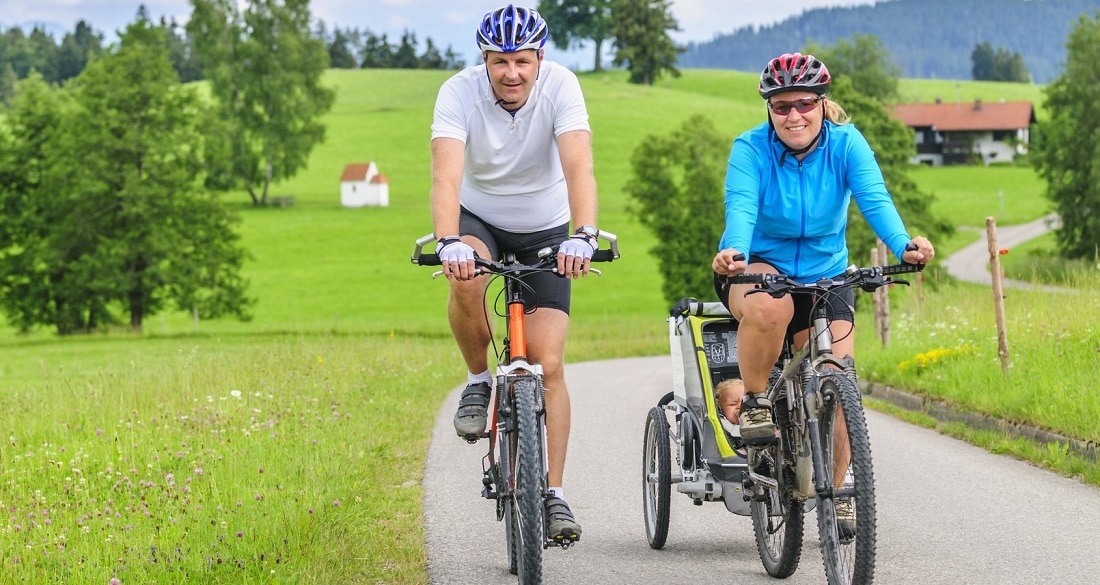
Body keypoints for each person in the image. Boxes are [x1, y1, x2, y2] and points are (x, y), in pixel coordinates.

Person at [711, 52, 935, 530]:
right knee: (772, 309)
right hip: (757, 267)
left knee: (838, 375)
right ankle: (755, 401)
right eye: (781, 106)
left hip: (826, 273)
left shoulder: (847, 144)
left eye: (804, 104)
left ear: (821, 103)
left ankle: (840, 486)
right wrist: (734, 250)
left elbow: (875, 200)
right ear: (769, 109)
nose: (793, 115)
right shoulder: (750, 150)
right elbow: (742, 206)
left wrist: (905, 244)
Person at [429, 4, 598, 543]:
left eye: (522, 61)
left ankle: (553, 495)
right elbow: (445, 176)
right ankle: (479, 381)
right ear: (484, 60)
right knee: (466, 275)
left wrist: (584, 234)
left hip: (548, 227)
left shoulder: (562, 86)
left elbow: (579, 167)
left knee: (548, 367)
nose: (511, 73)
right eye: (499, 61)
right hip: (479, 219)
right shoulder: (458, 92)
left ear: (540, 58)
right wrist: (447, 241)